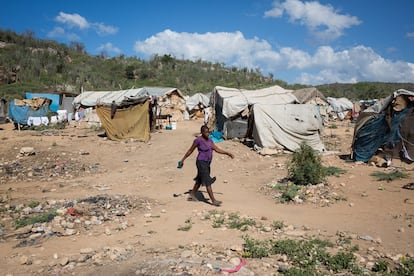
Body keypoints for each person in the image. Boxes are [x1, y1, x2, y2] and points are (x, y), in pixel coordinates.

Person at [180, 125, 234, 206]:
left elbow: (216, 149)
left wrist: (227, 153)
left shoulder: (210, 141)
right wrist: (183, 159)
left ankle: (191, 196)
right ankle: (213, 200)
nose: (207, 134)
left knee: (199, 180)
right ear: (202, 133)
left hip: (207, 163)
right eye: (205, 132)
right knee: (207, 181)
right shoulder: (198, 140)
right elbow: (190, 150)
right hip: (201, 162)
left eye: (208, 132)